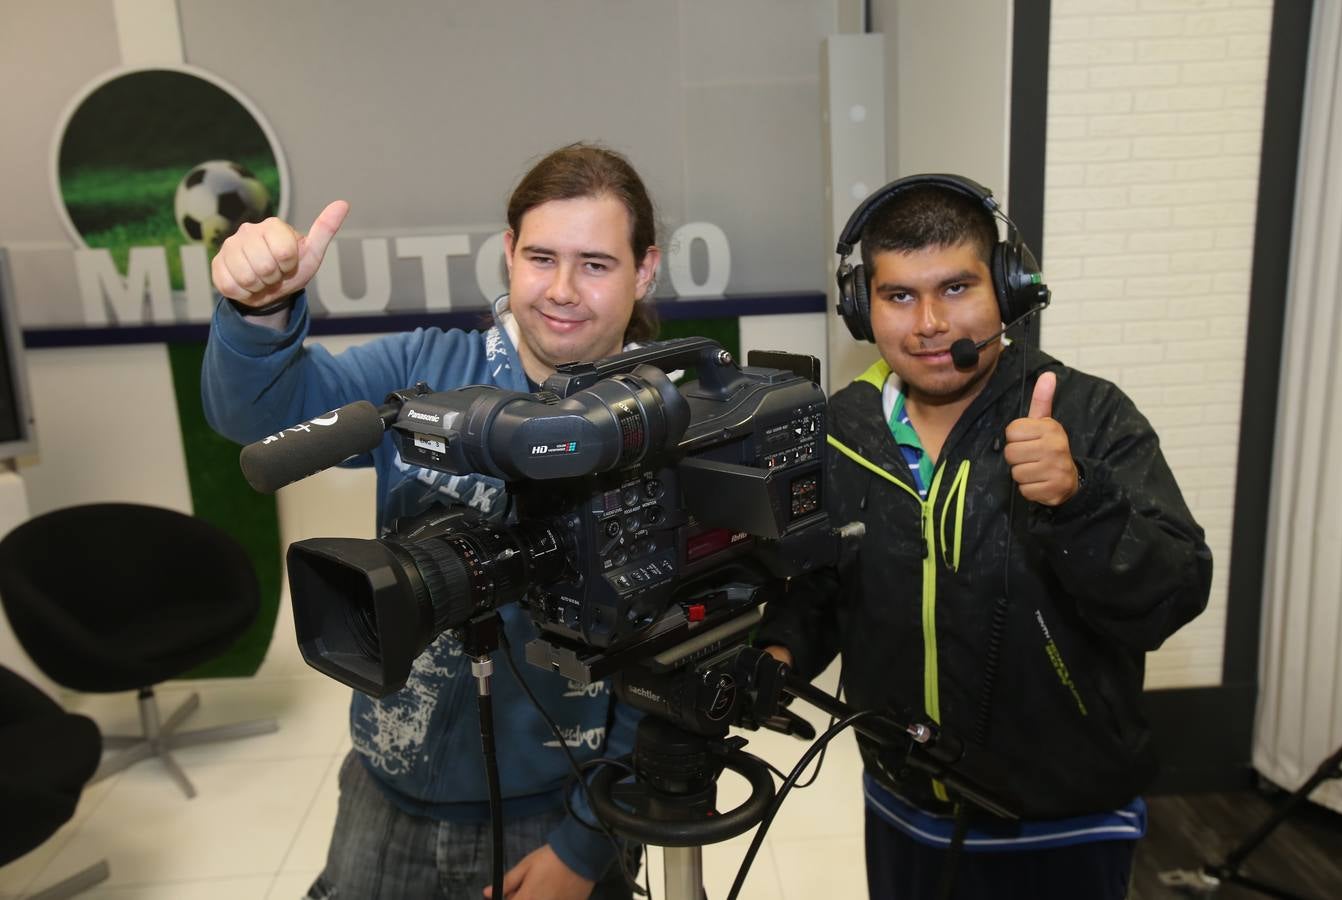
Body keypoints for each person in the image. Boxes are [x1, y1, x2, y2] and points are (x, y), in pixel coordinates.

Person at [202, 143, 661, 900]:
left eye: (597, 264)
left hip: (559, 809)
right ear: (509, 253)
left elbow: (676, 668)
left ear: (644, 269)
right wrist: (260, 311)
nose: (563, 290)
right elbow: (260, 415)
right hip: (386, 791)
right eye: (541, 257)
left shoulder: (667, 421)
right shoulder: (427, 371)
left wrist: (586, 847)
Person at [758, 175, 1213, 900]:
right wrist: (782, 651)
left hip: (1064, 821)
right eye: (899, 296)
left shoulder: (1088, 414)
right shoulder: (843, 430)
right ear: (860, 307)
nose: (930, 323)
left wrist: (1077, 499)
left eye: (956, 288)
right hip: (902, 805)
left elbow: (1173, 595)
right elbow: (825, 588)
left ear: (1008, 289)